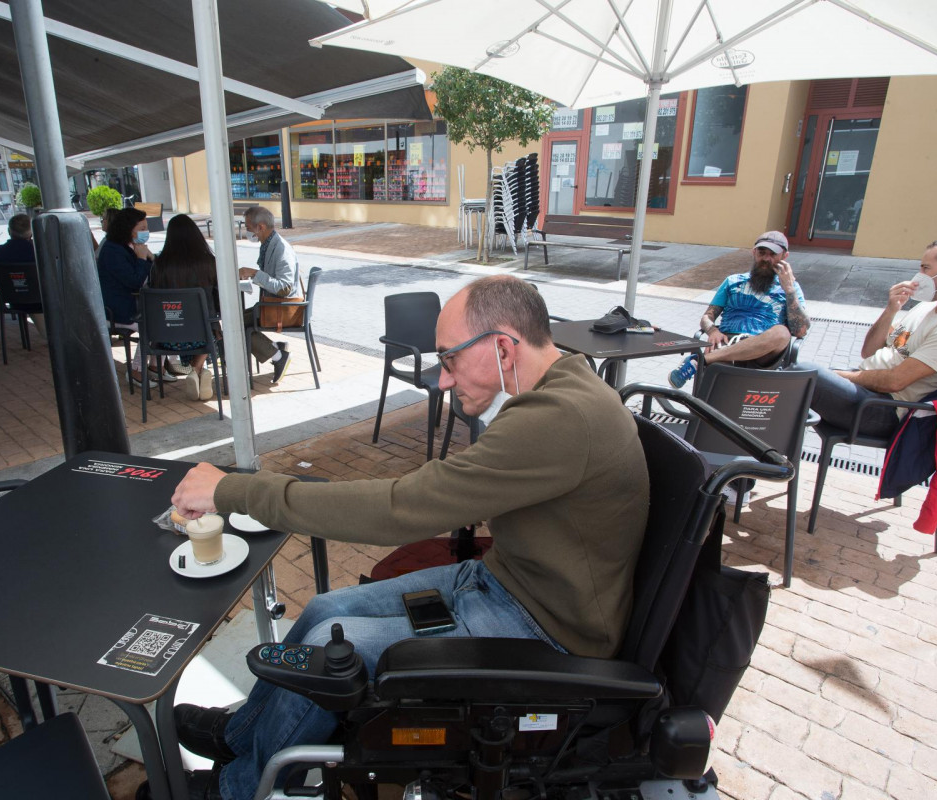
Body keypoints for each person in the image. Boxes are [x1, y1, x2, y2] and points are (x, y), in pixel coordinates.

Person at [158, 275, 651, 800]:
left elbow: (401, 509)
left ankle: (237, 788)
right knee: (324, 611)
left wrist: (236, 491)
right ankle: (244, 739)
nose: (441, 381)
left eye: (450, 359)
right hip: (504, 583)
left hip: (545, 629)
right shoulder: (565, 384)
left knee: (331, 650)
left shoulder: (561, 419)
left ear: (503, 347)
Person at [799, 237, 937, 439]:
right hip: (867, 390)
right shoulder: (928, 307)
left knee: (802, 376)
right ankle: (775, 457)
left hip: (887, 408)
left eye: (926, 268)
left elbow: (895, 381)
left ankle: (774, 462)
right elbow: (870, 352)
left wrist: (837, 375)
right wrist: (892, 309)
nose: (919, 276)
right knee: (790, 379)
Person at [669, 230, 810, 387]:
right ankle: (708, 364)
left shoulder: (792, 288)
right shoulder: (733, 281)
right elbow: (707, 317)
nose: (766, 259)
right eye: (762, 253)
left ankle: (700, 361)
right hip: (729, 341)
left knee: (782, 333)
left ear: (784, 256)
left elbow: (800, 331)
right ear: (754, 252)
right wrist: (713, 331)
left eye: (773, 254)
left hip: (764, 352)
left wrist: (789, 290)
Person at [149, 213, 222, 401]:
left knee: (193, 324)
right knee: (213, 329)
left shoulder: (159, 264)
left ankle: (197, 371)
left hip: (167, 337)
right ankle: (197, 370)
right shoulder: (209, 262)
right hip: (202, 336)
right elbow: (220, 300)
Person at [97, 206, 167, 385]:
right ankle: (137, 370)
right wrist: (142, 259)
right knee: (154, 325)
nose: (146, 232)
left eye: (146, 228)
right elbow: (134, 281)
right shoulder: (113, 251)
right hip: (118, 310)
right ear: (128, 229)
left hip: (133, 304)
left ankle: (155, 367)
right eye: (142, 229)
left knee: (167, 318)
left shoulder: (130, 247)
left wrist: (150, 257)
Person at [239, 206, 297, 384]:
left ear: (261, 227)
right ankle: (275, 348)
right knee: (237, 319)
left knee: (238, 326)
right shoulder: (268, 244)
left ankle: (278, 356)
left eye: (249, 228)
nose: (247, 232)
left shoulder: (280, 249)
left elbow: (284, 287)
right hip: (272, 304)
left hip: (284, 308)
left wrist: (255, 274)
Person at [0, 213, 45, 336]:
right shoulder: (40, 251)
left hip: (13, 301)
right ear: (31, 232)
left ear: (9, 231)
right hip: (42, 301)